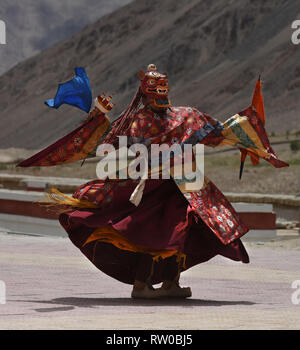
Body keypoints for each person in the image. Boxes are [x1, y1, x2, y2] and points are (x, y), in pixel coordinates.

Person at [18, 64, 288, 299]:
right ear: (148, 93)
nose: (161, 95)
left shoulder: (170, 118)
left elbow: (217, 133)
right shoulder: (154, 120)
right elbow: (105, 143)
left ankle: (171, 282)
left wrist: (248, 125)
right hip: (153, 187)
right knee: (159, 231)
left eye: (162, 90)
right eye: (157, 90)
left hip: (183, 186)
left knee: (184, 229)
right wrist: (97, 116)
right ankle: (142, 283)